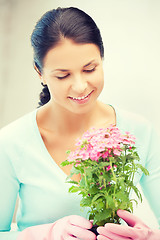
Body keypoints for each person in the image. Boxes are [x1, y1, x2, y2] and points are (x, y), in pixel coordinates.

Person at [0, 6, 160, 240]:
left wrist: (149, 237)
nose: (80, 86)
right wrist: (44, 234)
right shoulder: (10, 142)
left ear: (102, 59)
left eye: (90, 69)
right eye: (62, 75)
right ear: (39, 72)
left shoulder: (140, 132)